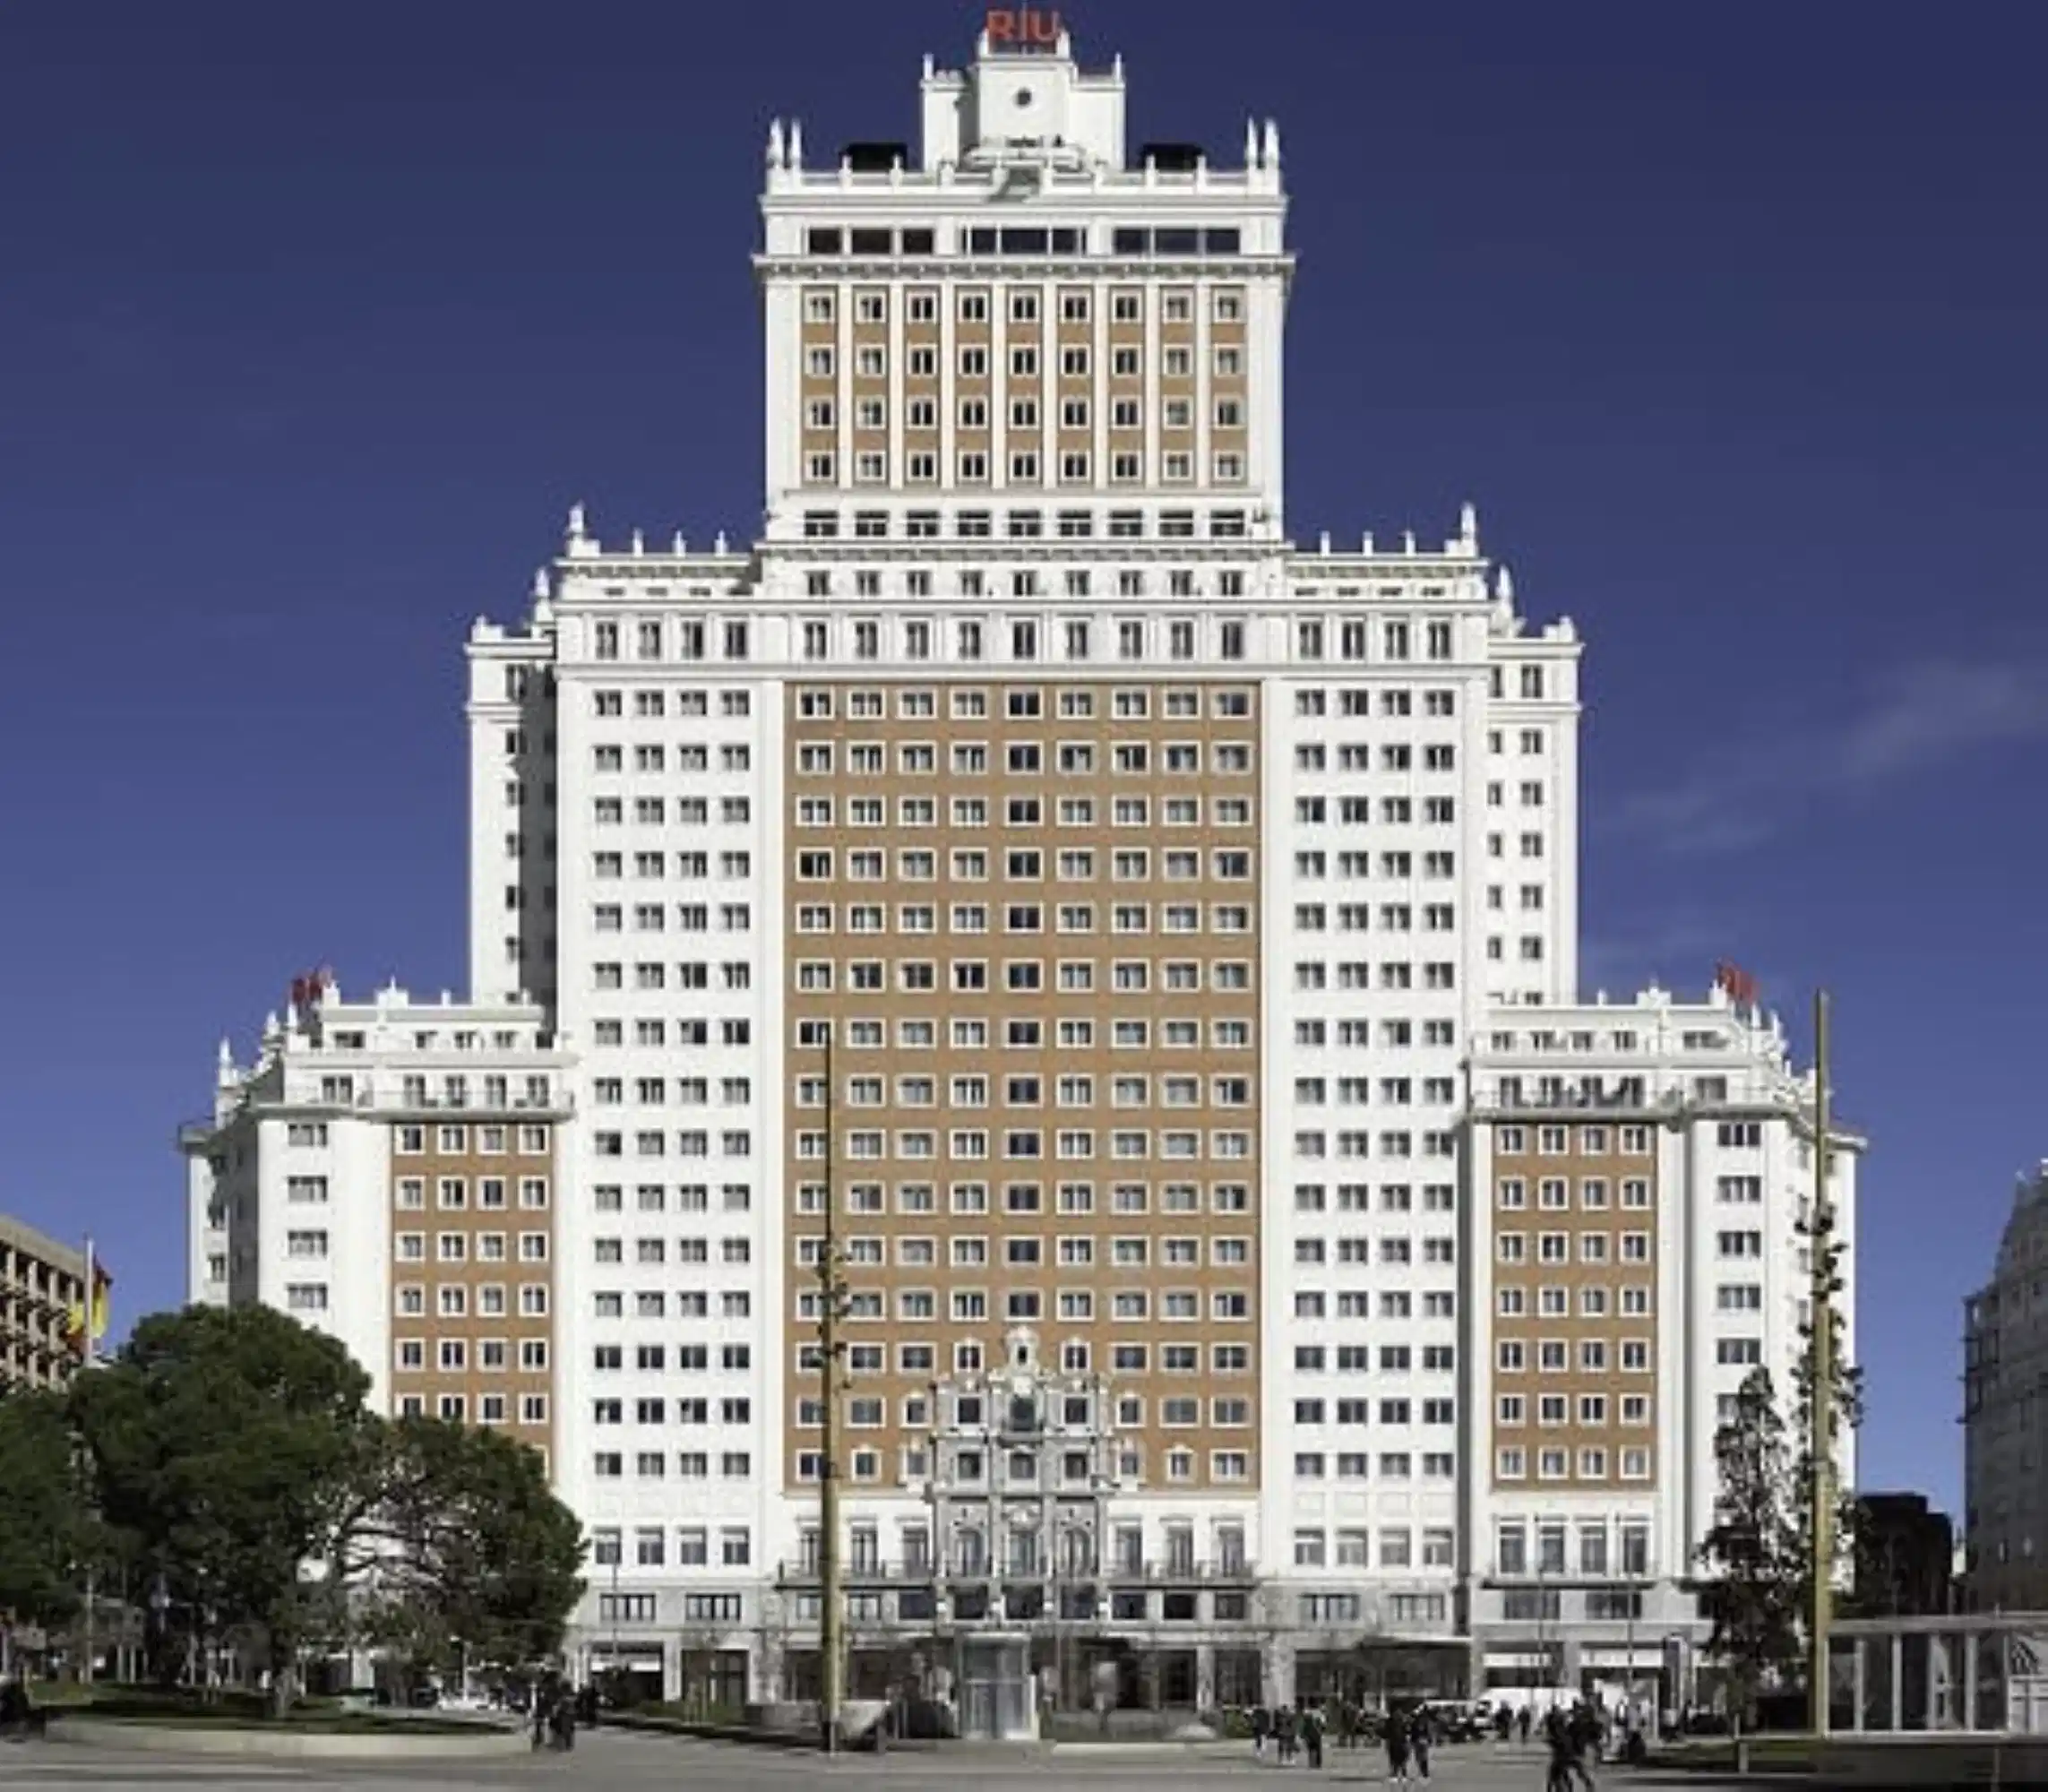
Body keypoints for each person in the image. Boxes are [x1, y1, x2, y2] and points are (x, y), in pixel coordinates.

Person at [1408, 1705, 1433, 1783]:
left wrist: (1412, 1740)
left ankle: (1423, 1772)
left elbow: (1413, 1732)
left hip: (1418, 1740)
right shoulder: (1425, 1720)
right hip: (1422, 1740)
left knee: (1419, 1757)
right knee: (1423, 1757)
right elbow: (1428, 1731)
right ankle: (1424, 1773)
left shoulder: (1416, 1722)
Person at [1302, 1703, 1324, 1770]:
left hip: (1313, 1736)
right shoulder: (1317, 1716)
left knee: (1313, 1750)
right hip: (1314, 1736)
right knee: (1314, 1750)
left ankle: (1314, 1764)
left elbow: (1304, 1730)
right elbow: (1322, 1726)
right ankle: (1315, 1764)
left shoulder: (1314, 1718)